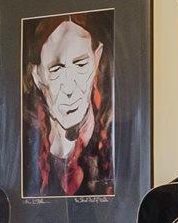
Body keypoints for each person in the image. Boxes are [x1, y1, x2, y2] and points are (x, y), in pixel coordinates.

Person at [21, 13, 112, 197]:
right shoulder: (25, 150)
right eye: (56, 70)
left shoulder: (113, 144)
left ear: (97, 58)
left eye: (80, 64)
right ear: (38, 77)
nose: (69, 88)